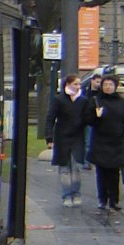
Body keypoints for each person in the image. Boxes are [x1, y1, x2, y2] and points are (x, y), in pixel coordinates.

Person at [85, 74, 124, 213]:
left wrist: (123, 130)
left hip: (116, 141)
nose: (108, 87)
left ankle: (114, 200)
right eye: (105, 85)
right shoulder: (96, 101)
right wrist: (97, 117)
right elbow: (88, 119)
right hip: (100, 141)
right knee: (102, 172)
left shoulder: (121, 102)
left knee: (114, 173)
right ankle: (102, 199)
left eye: (110, 85)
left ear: (115, 86)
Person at [45, 74, 87, 207]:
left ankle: (76, 193)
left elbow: (88, 117)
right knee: (64, 168)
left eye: (79, 84)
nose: (78, 86)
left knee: (76, 167)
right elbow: (50, 118)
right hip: (62, 137)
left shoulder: (83, 100)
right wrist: (49, 138)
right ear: (67, 85)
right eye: (75, 84)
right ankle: (66, 195)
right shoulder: (59, 100)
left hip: (77, 137)